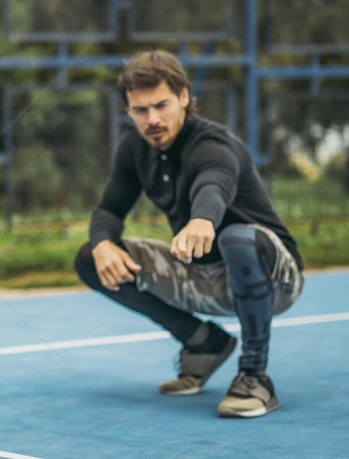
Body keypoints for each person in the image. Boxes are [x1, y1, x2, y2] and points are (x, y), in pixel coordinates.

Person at [74, 50, 304, 419]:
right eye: (140, 110)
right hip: (201, 275)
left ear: (184, 97)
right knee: (91, 257)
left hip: (273, 276)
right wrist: (103, 242)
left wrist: (203, 220)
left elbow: (215, 183)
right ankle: (202, 342)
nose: (152, 119)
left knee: (237, 238)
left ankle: (253, 375)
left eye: (161, 105)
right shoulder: (134, 148)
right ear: (128, 110)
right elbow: (109, 210)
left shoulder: (212, 144)